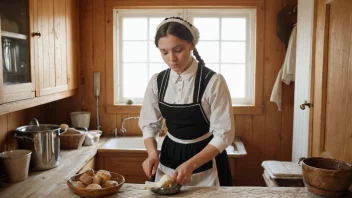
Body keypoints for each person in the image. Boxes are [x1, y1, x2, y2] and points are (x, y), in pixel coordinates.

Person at [139, 16, 235, 187]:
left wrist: (192, 164)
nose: (171, 59)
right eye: (164, 52)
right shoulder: (157, 81)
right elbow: (149, 124)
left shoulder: (213, 81)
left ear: (192, 45)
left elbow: (224, 134)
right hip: (169, 155)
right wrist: (152, 154)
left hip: (206, 157)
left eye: (178, 50)